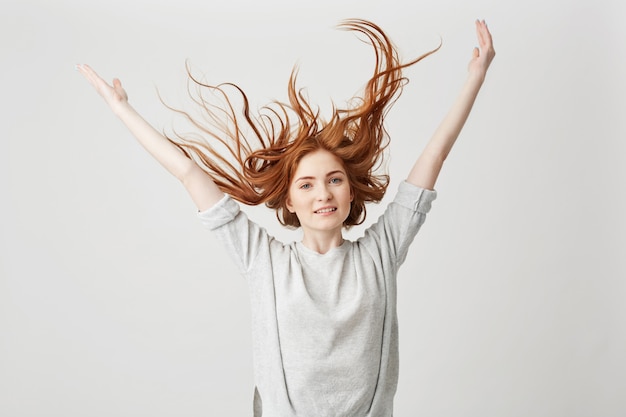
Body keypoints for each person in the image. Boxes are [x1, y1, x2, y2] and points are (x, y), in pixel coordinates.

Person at [77, 18, 494, 417]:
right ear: (290, 201)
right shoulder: (265, 261)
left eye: (334, 180)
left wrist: (475, 77)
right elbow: (188, 173)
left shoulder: (380, 254)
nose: (323, 194)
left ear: (350, 190)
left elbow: (434, 156)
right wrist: (121, 110)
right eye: (307, 185)